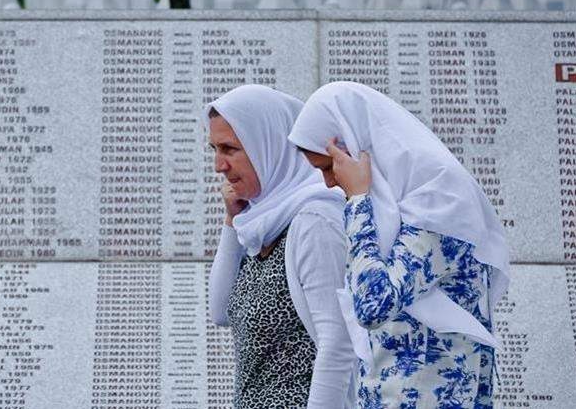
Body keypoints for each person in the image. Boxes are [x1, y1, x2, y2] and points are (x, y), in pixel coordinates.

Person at [288, 81, 510, 408]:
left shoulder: (439, 199)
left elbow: (373, 305)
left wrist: (359, 199)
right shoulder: (398, 203)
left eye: (328, 166)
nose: (330, 182)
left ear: (355, 144)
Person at [206, 84, 357, 409]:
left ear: (267, 145)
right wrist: (232, 223)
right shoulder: (262, 224)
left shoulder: (314, 220)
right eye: (214, 150)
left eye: (230, 149)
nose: (219, 165)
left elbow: (338, 342)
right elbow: (220, 312)